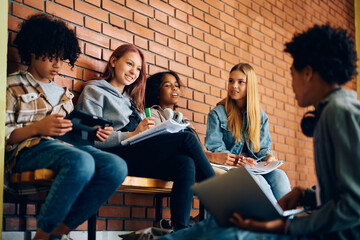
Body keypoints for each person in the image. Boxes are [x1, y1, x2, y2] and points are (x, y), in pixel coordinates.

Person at [157, 23, 360, 239]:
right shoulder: (335, 110)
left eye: (292, 74)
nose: (291, 85)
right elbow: (342, 197)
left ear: (308, 73)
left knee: (229, 232)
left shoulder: (339, 114)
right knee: (219, 228)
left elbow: (353, 207)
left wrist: (284, 228)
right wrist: (306, 196)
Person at [5, 14, 128, 240]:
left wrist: (93, 133)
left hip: (65, 149)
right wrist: (37, 128)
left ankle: (58, 234)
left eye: (62, 58)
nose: (57, 65)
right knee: (81, 161)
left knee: (116, 166)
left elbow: (70, 132)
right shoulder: (12, 85)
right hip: (28, 149)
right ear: (33, 51)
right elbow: (5, 137)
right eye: (52, 57)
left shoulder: (65, 95)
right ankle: (42, 236)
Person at [75, 44, 215, 231]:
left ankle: (180, 232)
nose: (134, 71)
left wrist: (152, 132)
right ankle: (220, 199)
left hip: (137, 153)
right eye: (129, 64)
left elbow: (142, 136)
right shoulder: (94, 90)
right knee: (186, 140)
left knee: (185, 162)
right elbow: (89, 137)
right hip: (114, 155)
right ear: (114, 61)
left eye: (138, 68)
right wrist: (133, 134)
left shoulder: (131, 101)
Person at [205, 63, 291, 203]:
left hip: (255, 166)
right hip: (232, 167)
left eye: (240, 82)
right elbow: (216, 148)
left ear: (250, 86)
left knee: (280, 177)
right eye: (231, 81)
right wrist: (239, 161)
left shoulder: (260, 116)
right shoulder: (217, 114)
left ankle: (288, 222)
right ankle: (273, 222)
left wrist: (269, 158)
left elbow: (262, 149)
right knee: (258, 183)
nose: (234, 86)